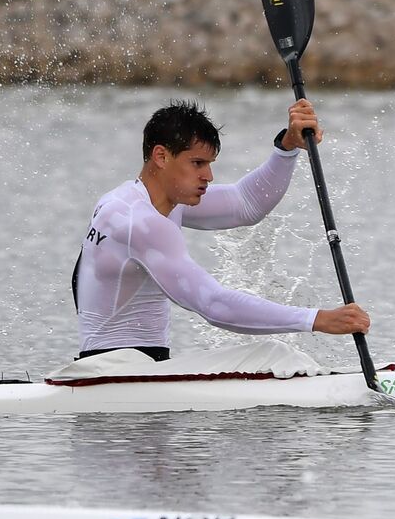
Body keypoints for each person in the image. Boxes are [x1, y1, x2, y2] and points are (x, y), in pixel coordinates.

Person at [73, 99, 370, 361]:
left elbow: (246, 203)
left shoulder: (133, 201)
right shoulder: (140, 222)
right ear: (161, 156)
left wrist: (287, 147)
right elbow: (213, 304)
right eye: (197, 163)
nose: (209, 175)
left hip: (123, 368)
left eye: (210, 163)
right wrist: (317, 319)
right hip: (119, 372)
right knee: (273, 355)